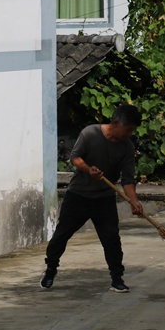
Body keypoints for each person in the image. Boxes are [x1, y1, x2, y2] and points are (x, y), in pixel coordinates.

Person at [41, 104, 143, 292]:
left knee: (112, 239)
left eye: (132, 130)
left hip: (104, 199)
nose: (129, 134)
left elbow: (128, 179)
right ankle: (50, 269)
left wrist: (133, 201)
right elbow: (75, 158)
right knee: (62, 234)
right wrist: (89, 170)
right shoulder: (90, 133)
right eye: (128, 129)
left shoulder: (127, 147)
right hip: (78, 195)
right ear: (116, 123)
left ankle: (117, 279)